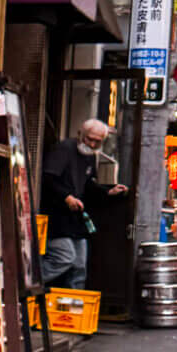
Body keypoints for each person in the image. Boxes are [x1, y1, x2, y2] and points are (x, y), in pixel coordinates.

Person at [38, 117, 123, 284]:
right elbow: (48, 178)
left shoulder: (90, 156)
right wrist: (67, 197)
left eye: (97, 142)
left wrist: (108, 191)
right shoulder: (64, 149)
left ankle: (75, 306)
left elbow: (89, 184)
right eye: (89, 139)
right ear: (80, 134)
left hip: (75, 220)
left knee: (79, 266)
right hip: (56, 218)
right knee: (64, 257)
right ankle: (30, 282)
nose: (92, 144)